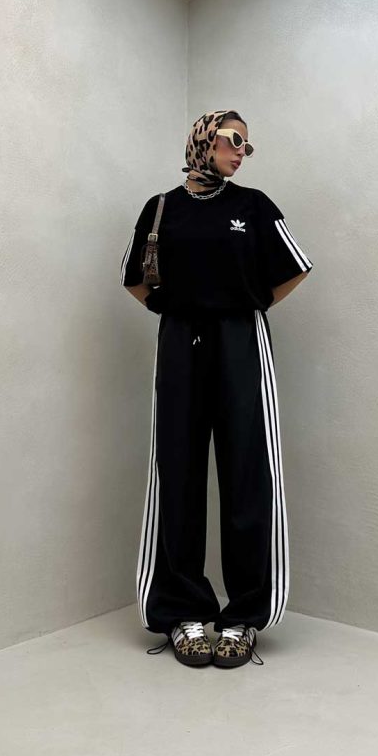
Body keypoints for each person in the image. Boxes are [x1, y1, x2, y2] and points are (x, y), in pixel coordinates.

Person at [120, 110, 314, 668]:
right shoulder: (162, 207)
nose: (240, 153)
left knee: (247, 470)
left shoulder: (253, 206)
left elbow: (295, 267)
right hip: (180, 341)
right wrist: (175, 310)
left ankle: (244, 615)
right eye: (233, 141)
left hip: (240, 341)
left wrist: (246, 304)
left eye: (247, 147)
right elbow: (134, 277)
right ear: (204, 140)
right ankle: (183, 611)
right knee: (177, 471)